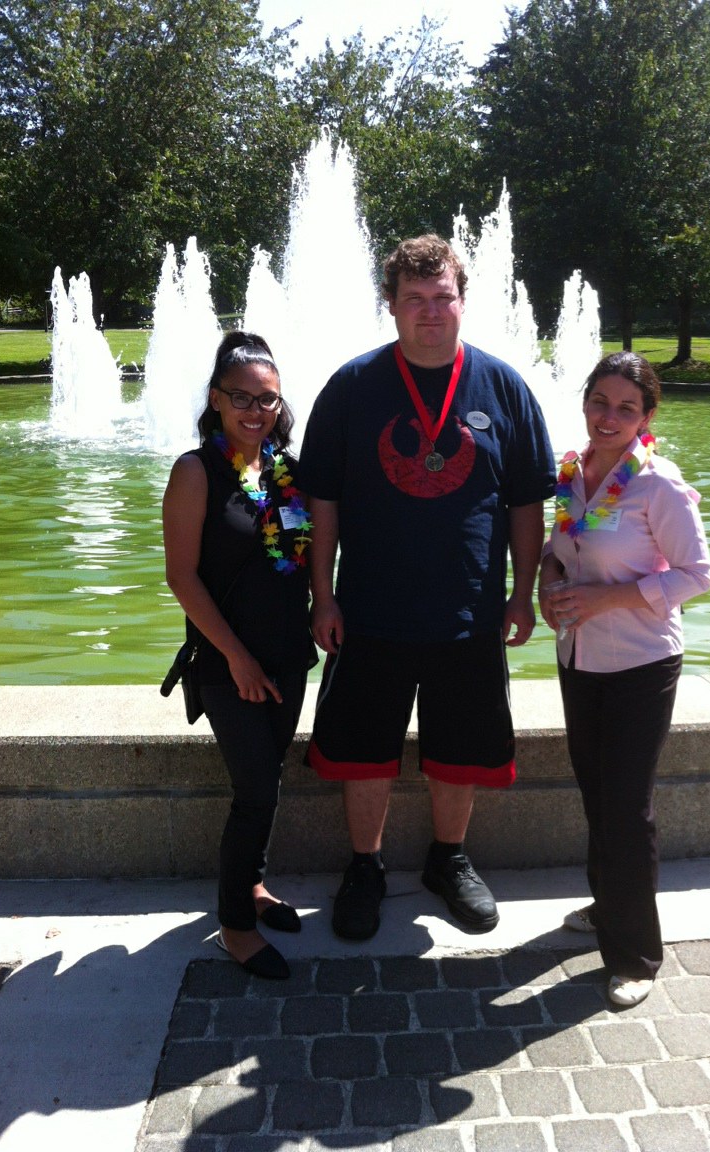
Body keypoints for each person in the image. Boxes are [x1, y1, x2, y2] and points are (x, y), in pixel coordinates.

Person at [298, 234, 555, 941]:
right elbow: (322, 500)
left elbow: (528, 502)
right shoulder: (353, 387)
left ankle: (449, 859)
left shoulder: (502, 387)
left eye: (443, 297)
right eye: (415, 300)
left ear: (463, 301)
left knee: (461, 747)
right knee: (364, 747)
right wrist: (324, 595)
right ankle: (365, 866)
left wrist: (522, 592)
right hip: (371, 609)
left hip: (468, 612)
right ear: (392, 307)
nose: (430, 312)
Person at [539, 351, 710, 1007]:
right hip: (579, 659)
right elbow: (560, 554)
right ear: (585, 402)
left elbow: (696, 575)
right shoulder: (567, 473)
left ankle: (636, 953)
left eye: (626, 408)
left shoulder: (657, 484)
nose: (609, 417)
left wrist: (608, 601)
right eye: (600, 402)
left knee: (628, 807)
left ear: (646, 418)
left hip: (642, 664)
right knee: (595, 792)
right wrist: (547, 587)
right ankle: (607, 904)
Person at [162, 332, 316, 979]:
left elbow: (303, 560)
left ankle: (251, 885)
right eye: (244, 398)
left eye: (269, 400)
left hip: (288, 656)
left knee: (269, 778)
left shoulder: (285, 468)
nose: (257, 411)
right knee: (254, 788)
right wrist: (236, 658)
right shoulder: (196, 471)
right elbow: (182, 577)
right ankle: (234, 925)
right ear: (218, 399)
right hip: (229, 664)